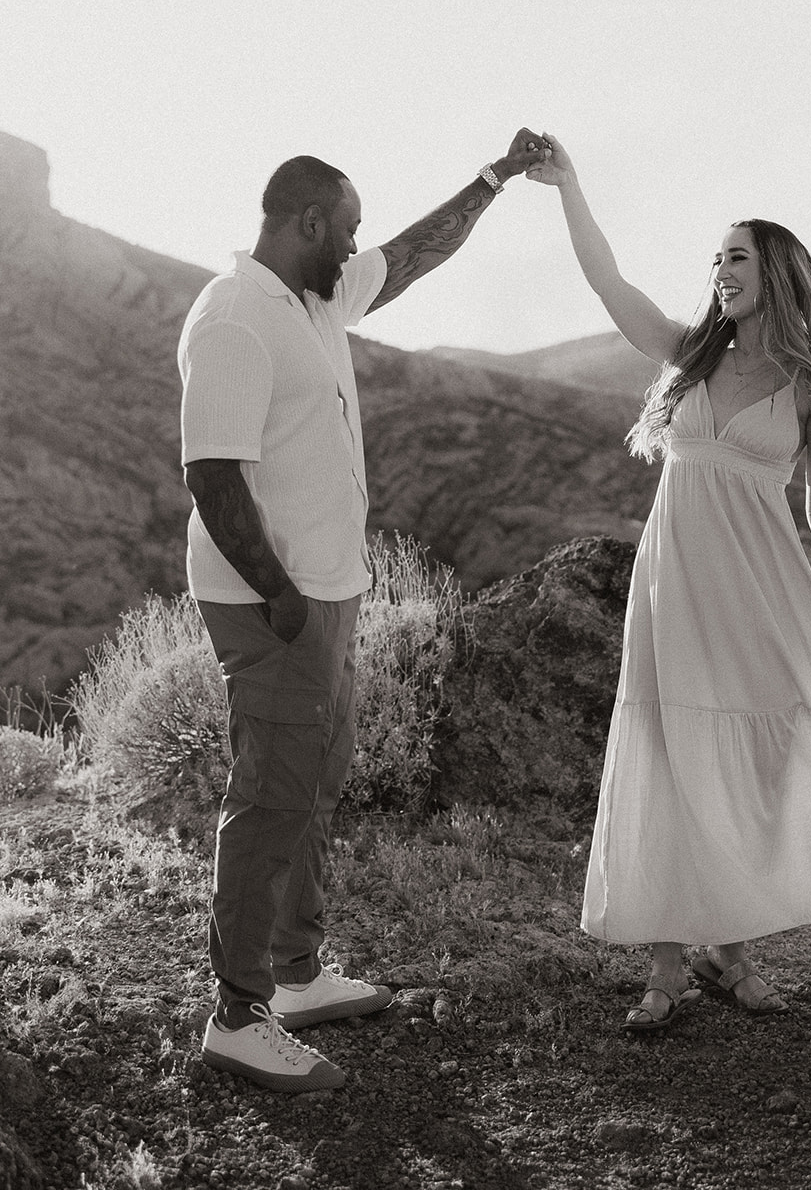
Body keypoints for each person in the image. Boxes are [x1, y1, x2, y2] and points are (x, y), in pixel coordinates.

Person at [527, 137, 811, 1030]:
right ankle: (666, 969)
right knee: (666, 748)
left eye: (737, 256)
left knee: (765, 759)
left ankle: (729, 946)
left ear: (774, 271)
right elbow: (608, 282)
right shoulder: (686, 354)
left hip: (761, 589)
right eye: (715, 258)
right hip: (674, 581)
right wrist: (570, 188)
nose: (721, 270)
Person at [179, 131, 549, 1091]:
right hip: (275, 607)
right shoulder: (232, 318)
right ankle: (237, 1015)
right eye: (345, 229)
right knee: (270, 797)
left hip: (329, 596)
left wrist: (492, 179)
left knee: (317, 781)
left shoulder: (315, 295)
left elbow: (416, 254)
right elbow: (213, 477)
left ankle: (296, 976)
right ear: (306, 222)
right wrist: (283, 599)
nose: (356, 246)